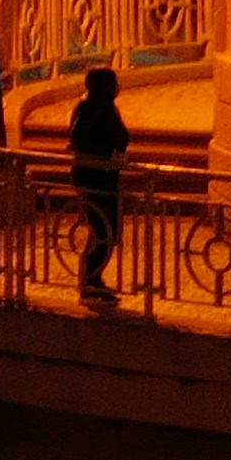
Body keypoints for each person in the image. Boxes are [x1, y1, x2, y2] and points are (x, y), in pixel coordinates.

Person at [64, 52, 136, 310]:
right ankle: (89, 282)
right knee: (102, 229)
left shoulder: (102, 107)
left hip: (104, 174)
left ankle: (94, 280)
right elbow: (79, 139)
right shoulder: (91, 108)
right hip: (94, 175)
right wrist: (106, 154)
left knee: (108, 229)